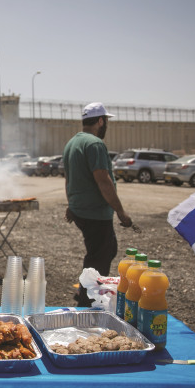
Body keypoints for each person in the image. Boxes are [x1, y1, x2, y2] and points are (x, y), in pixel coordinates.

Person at [62, 102, 133, 306]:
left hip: (80, 210)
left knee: (104, 250)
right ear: (101, 121)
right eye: (106, 121)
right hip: (95, 212)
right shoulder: (95, 144)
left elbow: (69, 179)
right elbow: (103, 180)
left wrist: (71, 204)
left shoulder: (72, 143)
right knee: (99, 255)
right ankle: (88, 302)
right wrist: (120, 211)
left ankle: (86, 291)